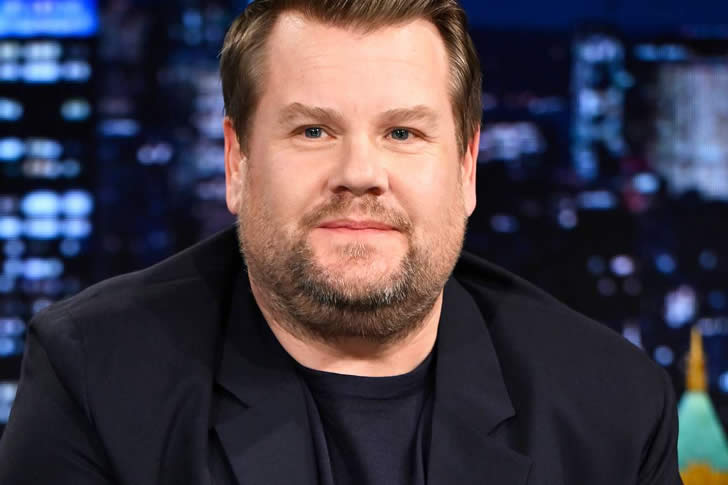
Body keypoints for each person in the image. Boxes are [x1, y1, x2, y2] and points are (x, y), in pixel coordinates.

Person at [0, 1, 682, 484]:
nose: (360, 173)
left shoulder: (611, 409)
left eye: (402, 133)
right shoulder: (96, 379)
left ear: (467, 168)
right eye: (313, 131)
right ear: (237, 163)